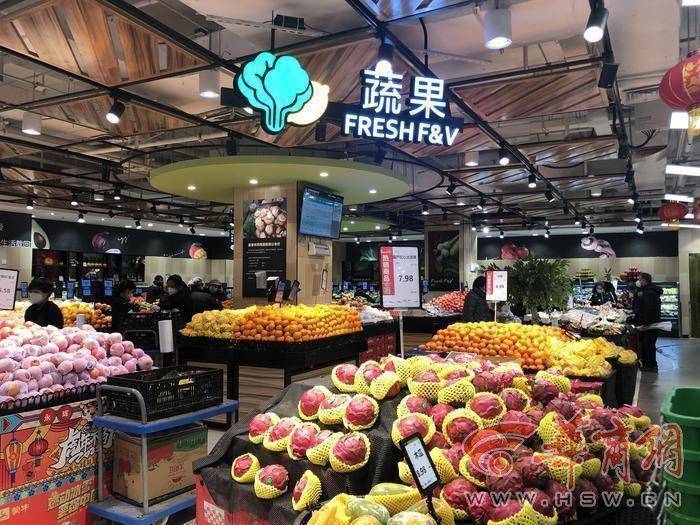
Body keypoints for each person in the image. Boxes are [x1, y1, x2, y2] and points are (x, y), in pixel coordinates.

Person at [633, 272, 662, 372]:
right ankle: (649, 364)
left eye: (640, 279)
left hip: (649, 324)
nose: (639, 281)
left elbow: (648, 309)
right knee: (649, 345)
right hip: (652, 322)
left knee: (649, 345)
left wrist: (644, 324)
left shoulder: (649, 292)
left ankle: (651, 366)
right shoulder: (650, 290)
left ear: (644, 280)